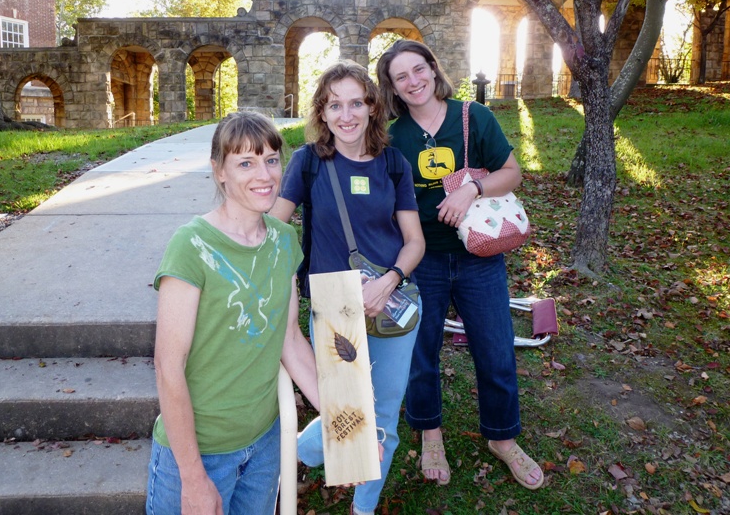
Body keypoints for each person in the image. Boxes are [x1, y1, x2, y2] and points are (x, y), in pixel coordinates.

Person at [376, 39, 544, 490]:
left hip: (479, 256)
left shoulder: (473, 117)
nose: (413, 81)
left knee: (495, 349)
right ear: (391, 87)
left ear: (433, 68)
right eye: (401, 77)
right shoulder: (393, 137)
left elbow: (512, 172)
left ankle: (503, 440)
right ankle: (430, 432)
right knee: (421, 353)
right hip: (421, 260)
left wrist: (471, 188)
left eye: (418, 69)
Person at [270, 60, 425, 515]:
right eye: (335, 105)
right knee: (345, 411)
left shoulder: (394, 163)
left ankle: (362, 508)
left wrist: (389, 280)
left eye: (356, 102)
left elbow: (414, 242)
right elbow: (273, 230)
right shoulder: (308, 164)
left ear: (373, 106)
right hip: (333, 304)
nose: (347, 114)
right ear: (322, 111)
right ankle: (291, 457)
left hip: (392, 302)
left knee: (382, 421)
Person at [146, 111, 320, 515]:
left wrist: (348, 425)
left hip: (263, 446)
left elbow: (290, 340)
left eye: (271, 160)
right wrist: (192, 478)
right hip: (198, 454)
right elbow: (168, 366)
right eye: (245, 162)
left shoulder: (284, 240)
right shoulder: (191, 245)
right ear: (218, 171)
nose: (264, 174)